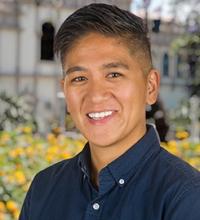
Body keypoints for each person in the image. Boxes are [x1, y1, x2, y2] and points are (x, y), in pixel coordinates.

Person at [19, 3, 200, 220]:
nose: (95, 96)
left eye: (114, 75)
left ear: (150, 86)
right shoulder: (44, 188)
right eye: (79, 79)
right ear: (65, 92)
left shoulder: (187, 197)